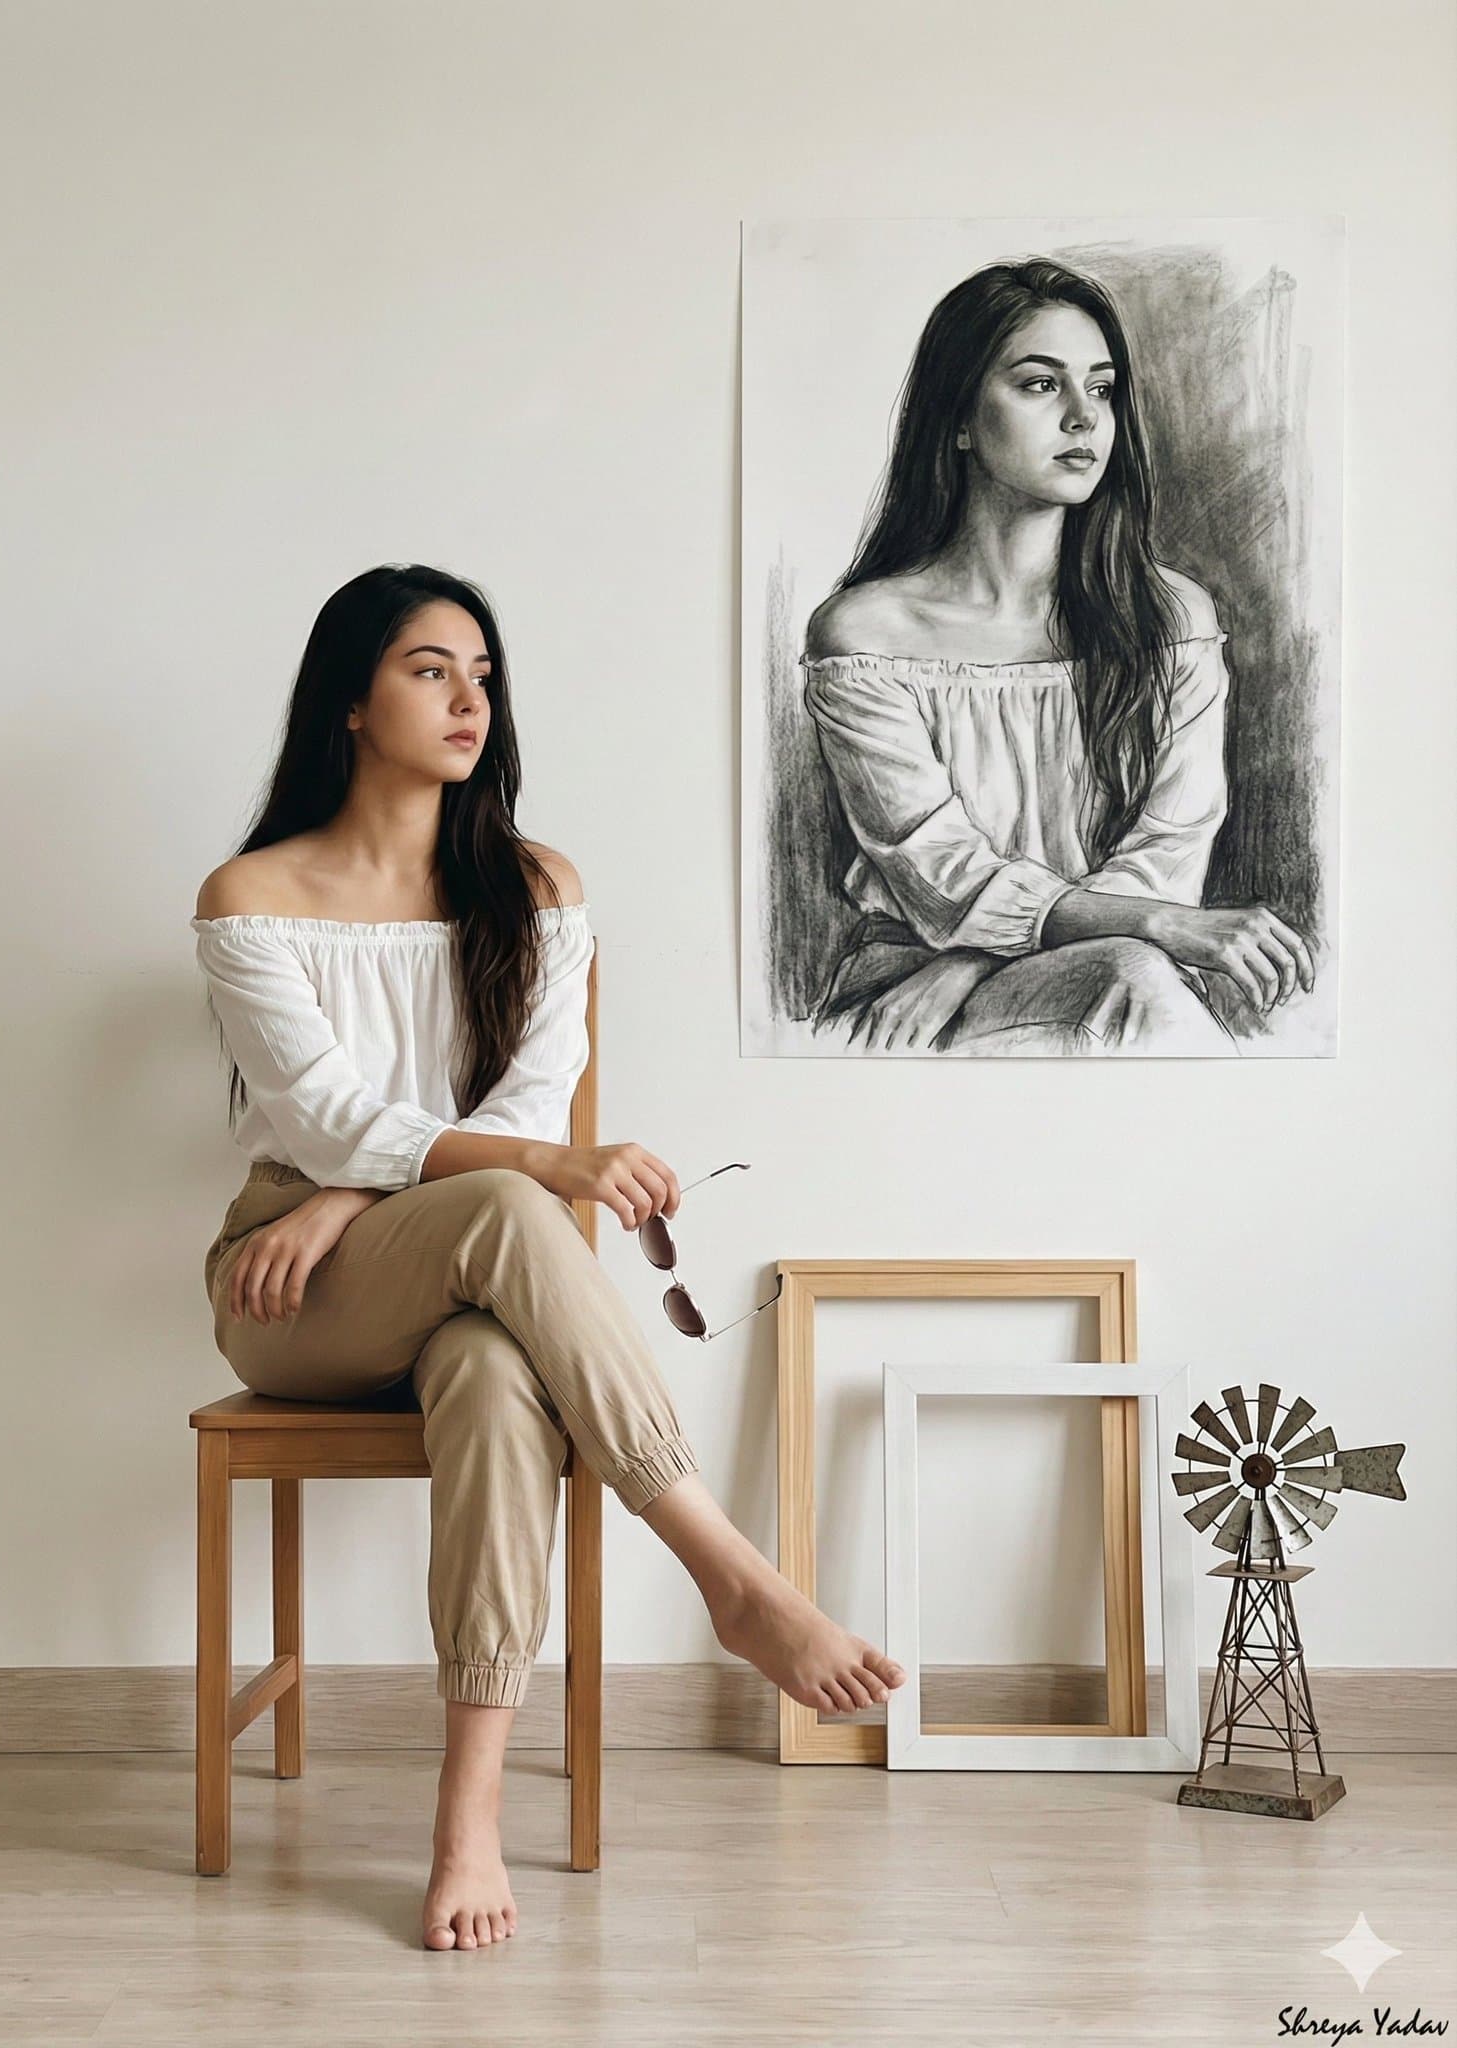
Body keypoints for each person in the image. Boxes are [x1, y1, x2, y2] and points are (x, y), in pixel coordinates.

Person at [192, 563, 906, 1953]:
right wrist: (351, 1195)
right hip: (288, 1293)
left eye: (483, 675)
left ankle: (468, 1826)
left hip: (432, 1261)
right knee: (522, 1208)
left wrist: (352, 1193)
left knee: (486, 1371)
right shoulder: (252, 895)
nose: (469, 700)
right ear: (349, 701)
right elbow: (331, 1118)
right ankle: (732, 1578)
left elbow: (520, 1111)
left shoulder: (535, 887)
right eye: (427, 670)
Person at [800, 257, 1316, 1056]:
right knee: (1134, 978)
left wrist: (972, 958)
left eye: (1101, 388)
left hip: (1063, 974)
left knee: (1131, 977)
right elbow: (936, 870)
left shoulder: (1171, 617)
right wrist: (1122, 931)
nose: (1084, 417)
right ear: (959, 419)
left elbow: (1168, 857)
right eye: (1041, 384)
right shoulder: (868, 635)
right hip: (908, 995)